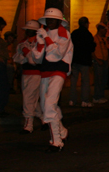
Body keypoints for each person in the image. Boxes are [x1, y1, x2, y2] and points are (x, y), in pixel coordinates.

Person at [30, 8, 73, 152]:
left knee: (49, 103)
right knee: (45, 105)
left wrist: (46, 39)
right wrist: (41, 42)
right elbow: (36, 58)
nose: (50, 21)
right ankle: (62, 132)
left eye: (53, 19)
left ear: (60, 21)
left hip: (59, 71)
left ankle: (56, 142)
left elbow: (57, 54)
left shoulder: (64, 33)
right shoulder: (45, 33)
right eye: (48, 19)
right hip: (45, 72)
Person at [13, 20, 44, 133]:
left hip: (36, 74)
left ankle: (28, 125)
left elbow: (33, 60)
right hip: (26, 73)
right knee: (32, 99)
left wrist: (26, 52)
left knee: (28, 98)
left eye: (30, 30)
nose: (28, 32)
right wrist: (26, 53)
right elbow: (17, 58)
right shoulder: (23, 43)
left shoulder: (40, 43)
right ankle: (43, 119)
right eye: (27, 30)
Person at [69, 17, 95, 107]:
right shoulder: (88, 34)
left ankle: (72, 100)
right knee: (85, 81)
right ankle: (85, 100)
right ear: (86, 24)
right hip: (84, 61)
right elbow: (92, 48)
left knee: (73, 81)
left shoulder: (74, 33)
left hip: (75, 60)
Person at [92, 23, 109, 104]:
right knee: (98, 80)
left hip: (105, 61)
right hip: (98, 61)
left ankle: (101, 96)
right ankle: (96, 97)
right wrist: (97, 60)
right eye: (104, 29)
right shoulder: (95, 39)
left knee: (103, 80)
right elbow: (92, 51)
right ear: (100, 30)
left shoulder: (105, 39)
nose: (106, 31)